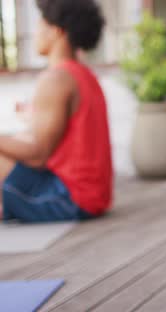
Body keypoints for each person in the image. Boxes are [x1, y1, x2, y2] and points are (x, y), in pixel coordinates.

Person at [0, 0, 112, 223]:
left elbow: (38, 155)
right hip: (94, 197)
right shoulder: (84, 75)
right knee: (16, 139)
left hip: (69, 199)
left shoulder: (55, 79)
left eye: (40, 25)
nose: (35, 33)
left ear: (57, 31)